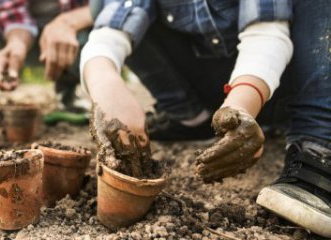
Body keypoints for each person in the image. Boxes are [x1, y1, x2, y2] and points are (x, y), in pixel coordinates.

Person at [81, 0, 330, 237]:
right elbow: (112, 29)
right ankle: (191, 117)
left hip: (280, 84)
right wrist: (106, 84)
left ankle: (316, 144)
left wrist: (240, 106)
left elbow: (267, 34)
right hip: (212, 86)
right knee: (101, 5)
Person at [0, 0, 93, 126]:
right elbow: (13, 11)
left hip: (78, 34)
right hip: (15, 34)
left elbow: (111, 6)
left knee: (103, 27)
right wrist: (17, 43)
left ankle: (67, 90)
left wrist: (67, 23)